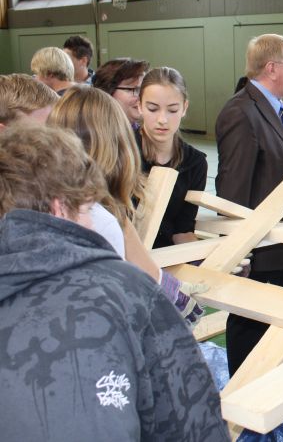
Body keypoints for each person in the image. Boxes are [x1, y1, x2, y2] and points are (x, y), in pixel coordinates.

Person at [0, 124, 228, 441]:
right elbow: (190, 421)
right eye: (87, 207)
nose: (95, 221)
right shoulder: (127, 290)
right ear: (58, 206)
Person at [49, 86, 206, 325]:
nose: (162, 119)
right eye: (153, 109)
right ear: (115, 143)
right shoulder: (95, 218)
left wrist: (165, 282)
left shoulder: (50, 197)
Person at [217, 34, 283, 376]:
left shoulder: (275, 107)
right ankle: (244, 400)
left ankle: (263, 393)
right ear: (272, 68)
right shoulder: (242, 112)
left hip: (282, 245)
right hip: (260, 252)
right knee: (248, 327)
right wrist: (239, 253)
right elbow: (232, 189)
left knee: (274, 330)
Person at [137, 67, 208, 248]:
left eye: (172, 110)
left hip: (167, 257)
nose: (162, 119)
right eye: (152, 109)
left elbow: (182, 231)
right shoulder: (122, 153)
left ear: (184, 107)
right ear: (139, 106)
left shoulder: (195, 163)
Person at [92, 57, 149, 128]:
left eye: (142, 89)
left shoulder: (143, 134)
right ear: (107, 92)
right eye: (133, 89)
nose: (141, 97)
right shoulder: (92, 135)